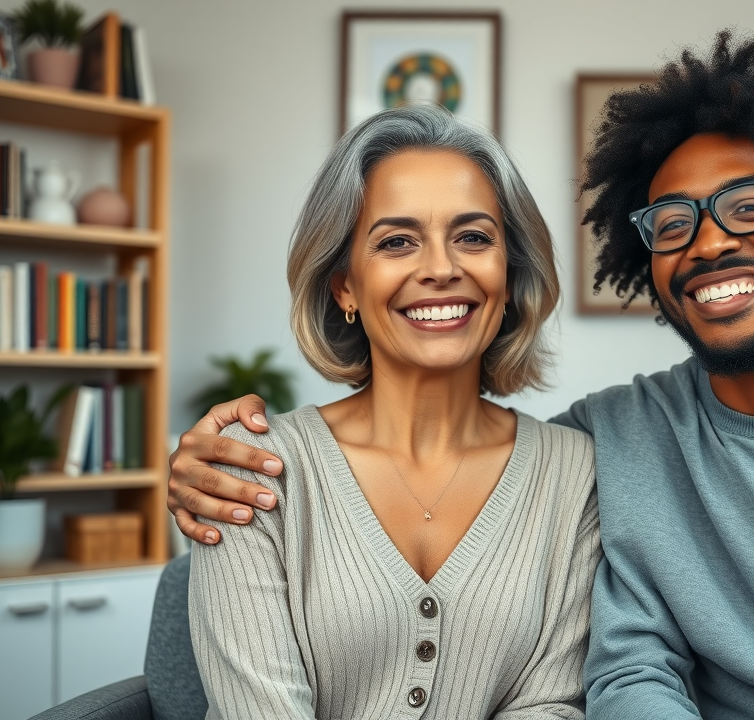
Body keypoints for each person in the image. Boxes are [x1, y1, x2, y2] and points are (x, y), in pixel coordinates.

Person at [169, 29, 754, 720]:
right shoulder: (612, 440)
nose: (710, 243)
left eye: (749, 205)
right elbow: (629, 668)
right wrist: (201, 461)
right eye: (676, 223)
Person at [185, 103, 601, 719]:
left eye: (473, 237)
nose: (441, 269)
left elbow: (552, 705)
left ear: (509, 273)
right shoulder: (251, 471)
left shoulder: (574, 473)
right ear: (345, 285)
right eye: (397, 241)